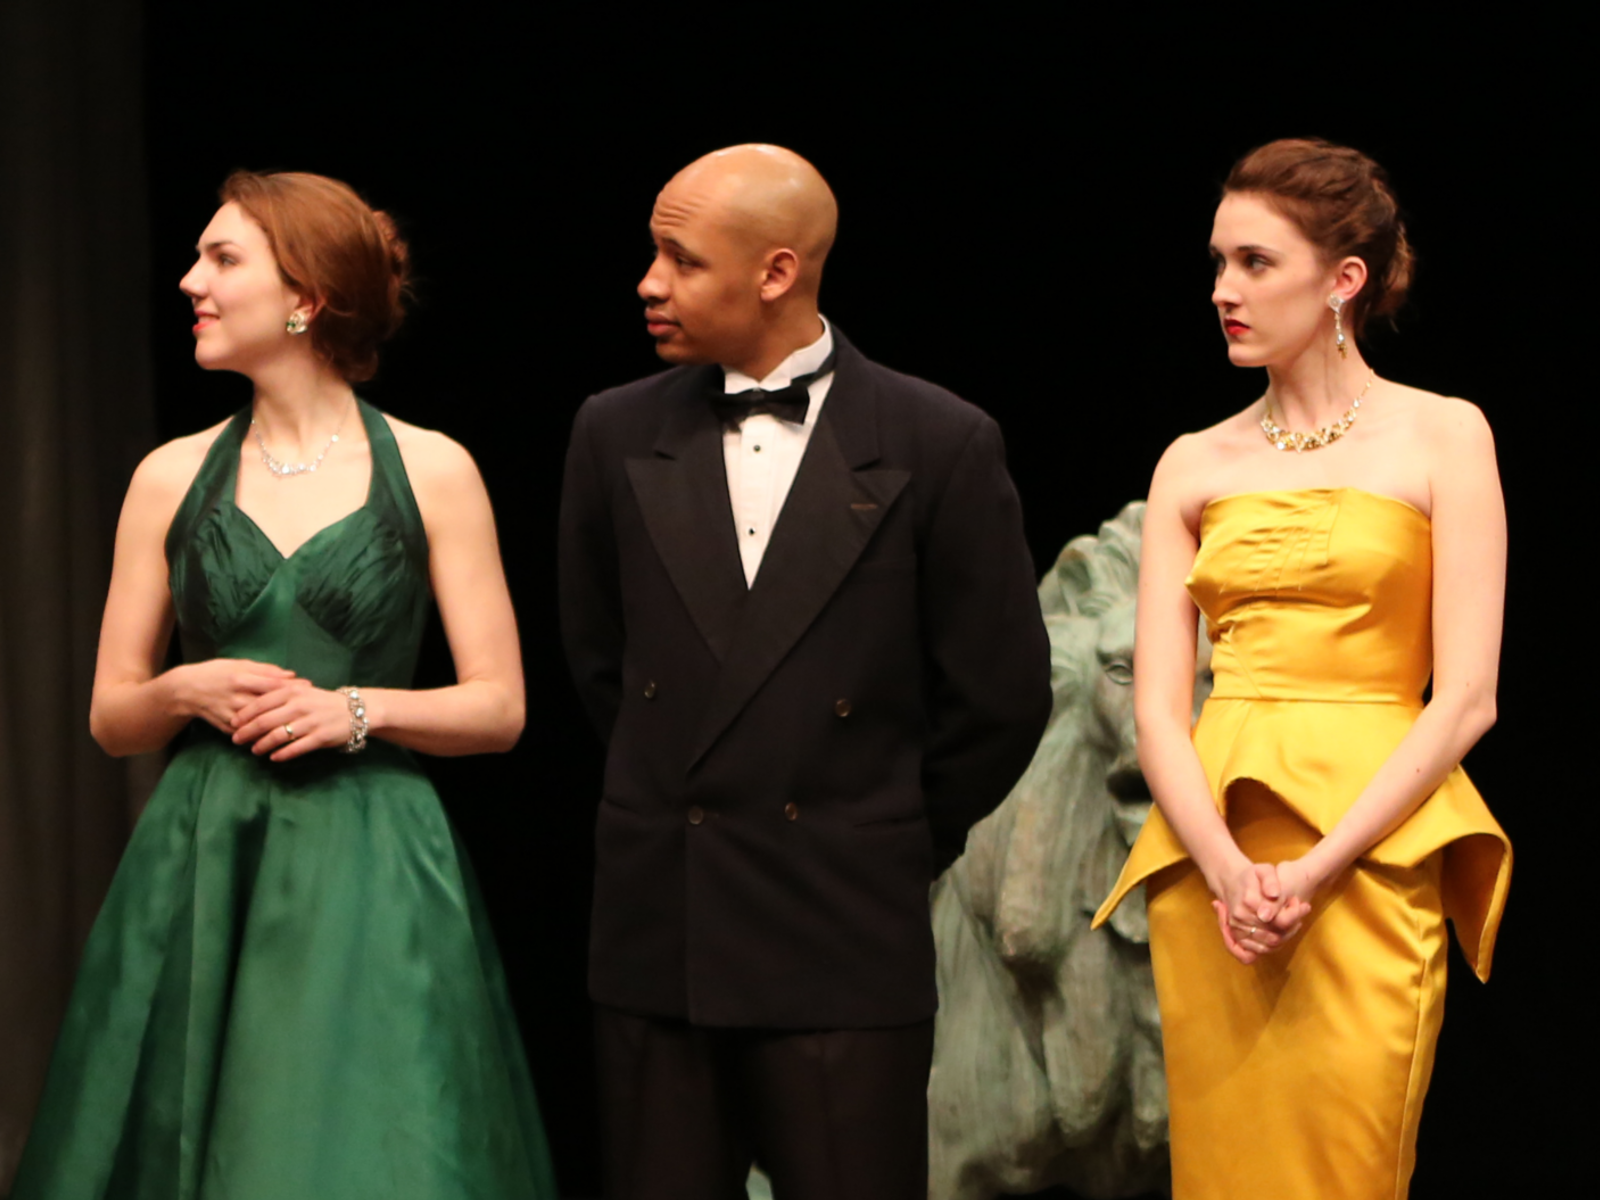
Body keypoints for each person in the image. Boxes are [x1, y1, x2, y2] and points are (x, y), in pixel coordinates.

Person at [11, 171, 556, 1199]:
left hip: (371, 850)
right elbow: (113, 716)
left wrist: (355, 709)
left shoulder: (433, 468)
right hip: (206, 844)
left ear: (306, 296)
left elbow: (499, 706)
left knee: (371, 1139)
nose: (190, 281)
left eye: (222, 259)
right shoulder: (171, 475)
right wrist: (187, 689)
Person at [559, 144, 1051, 1200]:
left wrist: (874, 829)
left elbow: (1000, 697)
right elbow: (602, 666)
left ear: (776, 272)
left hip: (841, 927)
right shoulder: (613, 430)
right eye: (654, 254)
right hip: (663, 924)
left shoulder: (938, 440)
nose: (649, 282)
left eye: (682, 260)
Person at [1094, 138, 1512, 1198]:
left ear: (1343, 280)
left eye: (1254, 263)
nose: (1222, 290)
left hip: (1369, 846)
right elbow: (1158, 709)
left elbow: (1466, 697)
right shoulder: (1192, 461)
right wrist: (1227, 870)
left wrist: (1316, 869)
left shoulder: (1444, 434)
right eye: (1217, 263)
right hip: (1214, 862)